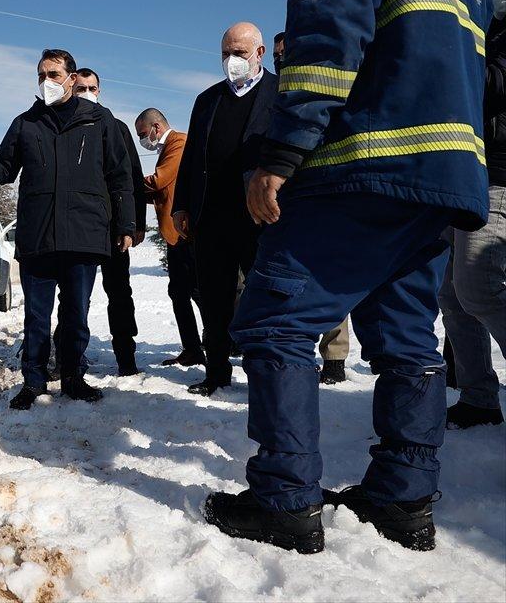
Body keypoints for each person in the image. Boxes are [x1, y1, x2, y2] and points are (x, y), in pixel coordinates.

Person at [205, 0, 497, 554]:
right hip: (440, 174)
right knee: (408, 341)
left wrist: (282, 154)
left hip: (367, 162)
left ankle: (284, 499)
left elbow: (328, 29)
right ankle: (404, 499)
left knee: (275, 322)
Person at [0, 49, 136, 410]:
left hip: (84, 235)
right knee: (36, 316)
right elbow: (3, 171)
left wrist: (126, 223)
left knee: (75, 315)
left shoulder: (99, 120)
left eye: (53, 74)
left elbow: (120, 176)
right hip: (38, 236)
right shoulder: (26, 123)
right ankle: (33, 381)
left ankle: (73, 378)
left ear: (71, 78)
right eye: (41, 75)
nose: (46, 81)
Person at [171, 22, 278, 396]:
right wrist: (182, 204)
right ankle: (216, 371)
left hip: (260, 218)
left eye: (239, 53)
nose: (231, 61)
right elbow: (191, 158)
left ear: (260, 53)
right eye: (225, 53)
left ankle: (270, 372)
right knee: (214, 299)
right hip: (211, 217)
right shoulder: (207, 100)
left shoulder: (280, 94)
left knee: (265, 297)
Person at [439, 0, 506, 429]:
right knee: (450, 294)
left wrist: (459, 56)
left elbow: (489, 84)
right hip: (466, 173)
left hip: (500, 177)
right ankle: (479, 395)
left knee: (479, 289)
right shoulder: (487, 27)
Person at [276, 35, 353, 386]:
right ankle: (294, 351)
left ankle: (335, 356)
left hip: (324, 192)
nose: (281, 60)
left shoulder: (318, 85)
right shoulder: (272, 94)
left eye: (285, 53)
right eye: (277, 55)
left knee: (328, 277)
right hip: (283, 200)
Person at [63, 68, 147, 376]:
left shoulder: (116, 126)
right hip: (80, 226)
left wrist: (134, 223)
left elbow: (132, 177)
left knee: (119, 292)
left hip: (113, 228)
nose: (87, 91)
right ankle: (68, 356)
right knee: (74, 293)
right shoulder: (65, 126)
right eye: (81, 87)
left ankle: (126, 357)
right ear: (71, 87)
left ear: (100, 90)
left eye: (92, 87)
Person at [135, 108, 203, 366]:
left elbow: (159, 181)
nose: (143, 139)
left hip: (186, 233)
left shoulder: (179, 143)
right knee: (181, 292)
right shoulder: (167, 149)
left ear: (156, 127)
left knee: (194, 292)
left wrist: (126, 182)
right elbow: (162, 193)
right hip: (176, 233)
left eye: (143, 134)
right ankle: (194, 347)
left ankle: (212, 344)